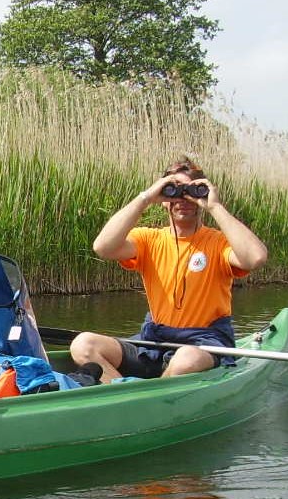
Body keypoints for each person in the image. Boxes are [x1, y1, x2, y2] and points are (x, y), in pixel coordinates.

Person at [69, 157, 268, 382]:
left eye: (191, 192)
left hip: (203, 342)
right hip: (155, 340)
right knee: (83, 345)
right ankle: (127, 394)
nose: (183, 199)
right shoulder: (149, 239)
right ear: (164, 198)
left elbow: (256, 258)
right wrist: (145, 198)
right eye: (175, 191)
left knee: (184, 361)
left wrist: (215, 206)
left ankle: (149, 401)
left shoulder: (218, 242)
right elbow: (103, 247)